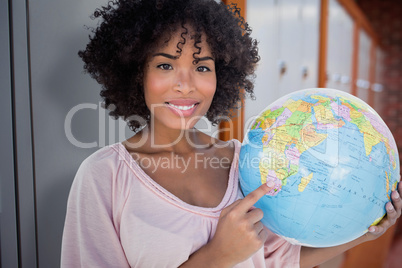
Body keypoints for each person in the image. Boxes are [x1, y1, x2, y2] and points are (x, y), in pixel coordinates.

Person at [61, 0, 402, 267]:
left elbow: (280, 260)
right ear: (137, 73)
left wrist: (366, 232)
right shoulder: (104, 176)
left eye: (202, 67)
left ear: (221, 76)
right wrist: (217, 258)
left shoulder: (250, 161)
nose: (185, 84)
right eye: (165, 65)